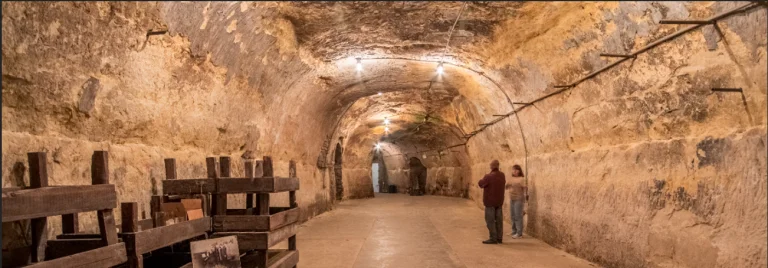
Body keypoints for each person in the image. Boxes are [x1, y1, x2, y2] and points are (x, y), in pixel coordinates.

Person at [478, 160, 505, 244]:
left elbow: (481, 184)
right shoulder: (502, 175)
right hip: (499, 201)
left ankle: (493, 238)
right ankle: (499, 238)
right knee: (499, 220)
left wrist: (481, 180)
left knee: (490, 220)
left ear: (492, 166)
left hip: (490, 202)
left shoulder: (488, 176)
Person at [506, 164, 528, 238]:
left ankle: (519, 233)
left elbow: (525, 189)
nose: (514, 171)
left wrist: (525, 201)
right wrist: (507, 185)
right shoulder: (511, 178)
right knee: (512, 215)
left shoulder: (522, 179)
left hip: (518, 199)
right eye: (513, 169)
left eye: (516, 170)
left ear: (519, 171)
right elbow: (506, 188)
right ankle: (514, 231)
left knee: (518, 216)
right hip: (512, 198)